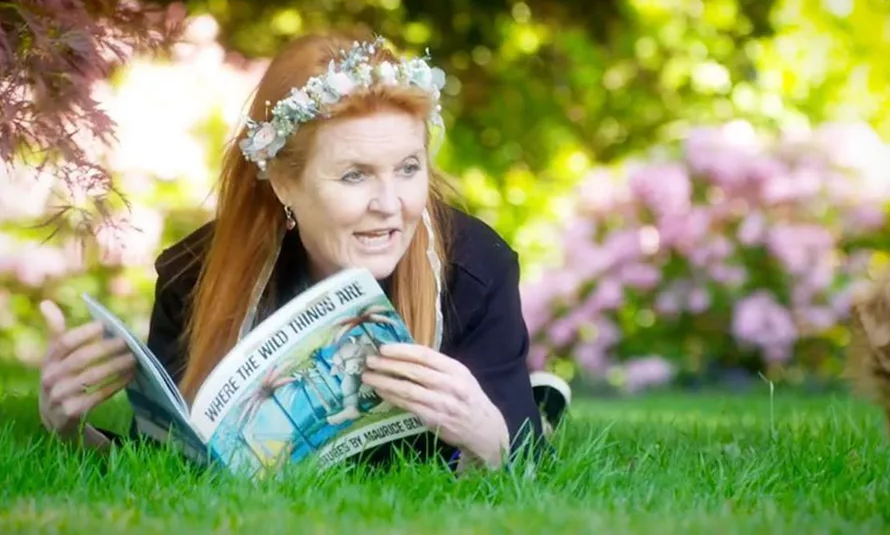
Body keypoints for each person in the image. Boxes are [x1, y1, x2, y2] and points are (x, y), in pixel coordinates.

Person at [36, 30, 571, 472]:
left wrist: (486, 434)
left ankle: (543, 396)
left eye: (408, 168)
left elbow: (523, 463)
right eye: (355, 175)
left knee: (521, 408)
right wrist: (70, 430)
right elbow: (162, 464)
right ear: (284, 185)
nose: (390, 205)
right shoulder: (192, 275)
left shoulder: (473, 269)